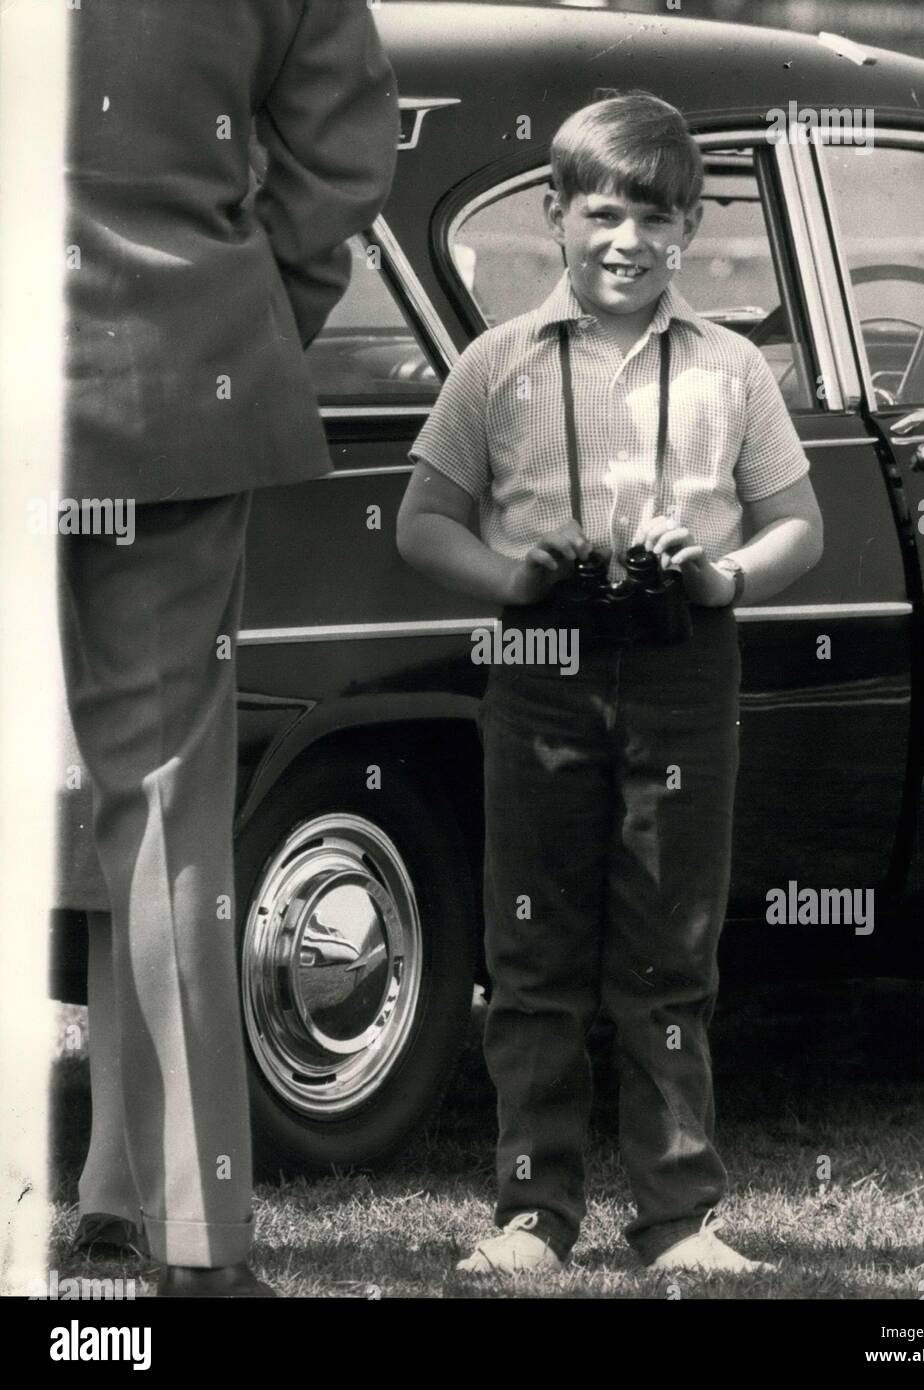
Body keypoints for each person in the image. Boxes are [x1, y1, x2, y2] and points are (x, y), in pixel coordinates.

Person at [397, 91, 823, 1275]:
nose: (628, 241)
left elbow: (801, 523)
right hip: (541, 661)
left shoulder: (733, 367)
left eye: (657, 217)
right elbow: (423, 522)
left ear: (689, 226)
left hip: (686, 660)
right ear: (553, 216)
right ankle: (533, 1212)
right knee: (531, 943)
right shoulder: (497, 365)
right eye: (603, 214)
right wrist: (512, 573)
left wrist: (725, 575)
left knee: (669, 944)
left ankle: (679, 1216)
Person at [59, 0, 399, 1296]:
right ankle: (187, 1238)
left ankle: (104, 1196)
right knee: (163, 821)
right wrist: (237, 320)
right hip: (166, 383)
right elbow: (343, 160)